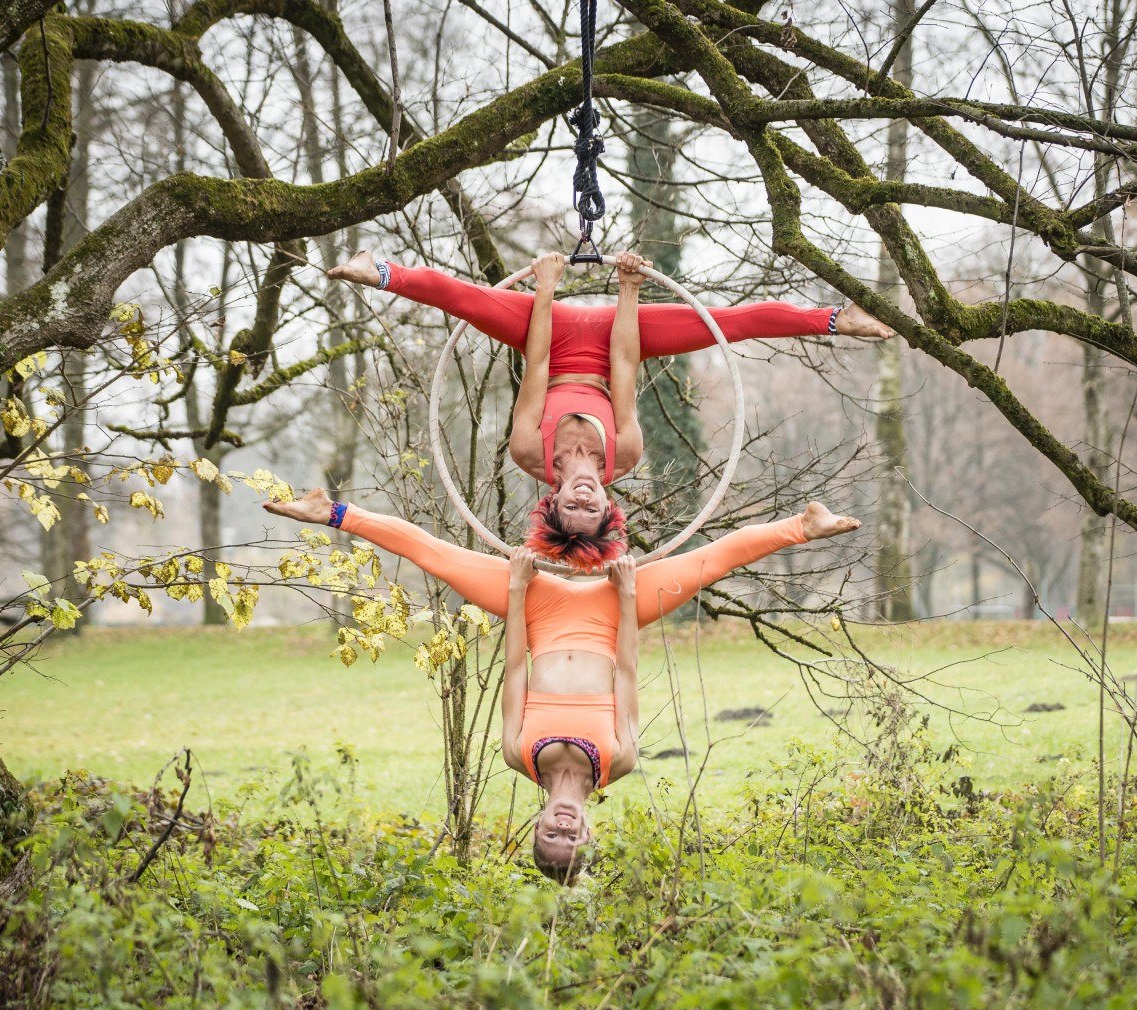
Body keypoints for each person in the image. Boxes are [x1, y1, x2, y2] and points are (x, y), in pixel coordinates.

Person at [263, 488, 861, 884]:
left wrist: (519, 591)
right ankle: (801, 526)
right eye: (572, 838)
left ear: (538, 823)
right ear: (590, 830)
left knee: (432, 553)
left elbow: (517, 668)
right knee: (712, 560)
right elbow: (626, 673)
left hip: (539, 612)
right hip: (610, 615)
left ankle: (331, 511)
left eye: (551, 835)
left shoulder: (518, 754)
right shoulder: (619, 761)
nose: (564, 828)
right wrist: (627, 598)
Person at [328, 251, 894, 568]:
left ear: (552, 503)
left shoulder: (531, 451)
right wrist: (627, 289)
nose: (583, 499)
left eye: (571, 509)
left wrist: (546, 289)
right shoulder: (622, 454)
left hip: (543, 334)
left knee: (462, 296)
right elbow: (623, 367)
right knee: (729, 322)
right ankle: (832, 318)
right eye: (592, 510)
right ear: (606, 503)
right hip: (614, 346)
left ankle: (379, 271)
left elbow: (539, 364)